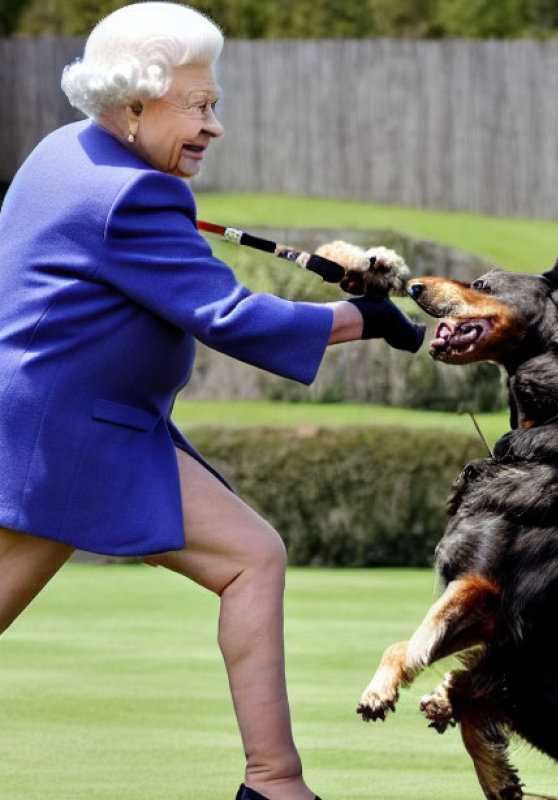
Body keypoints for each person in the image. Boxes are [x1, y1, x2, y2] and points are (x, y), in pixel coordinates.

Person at [0, 4, 425, 799]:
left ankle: (275, 782)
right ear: (132, 106)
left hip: (64, 424)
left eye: (211, 103)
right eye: (197, 106)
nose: (213, 125)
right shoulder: (135, 196)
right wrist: (361, 319)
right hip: (67, 440)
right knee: (252, 558)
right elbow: (229, 316)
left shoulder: (69, 151)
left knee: (250, 556)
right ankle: (274, 784)